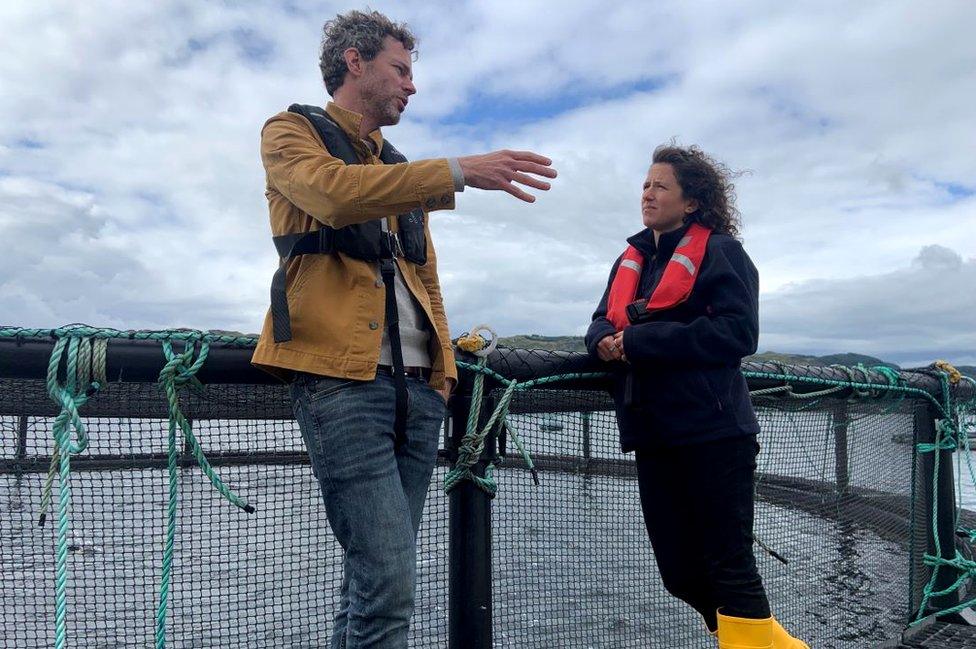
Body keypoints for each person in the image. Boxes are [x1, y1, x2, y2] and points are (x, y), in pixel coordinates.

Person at [250, 10, 556, 649]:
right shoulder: (288, 132)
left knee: (373, 587)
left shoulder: (400, 169)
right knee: (389, 586)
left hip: (419, 394)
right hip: (340, 385)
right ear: (355, 63)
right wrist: (459, 170)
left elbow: (428, 283)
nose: (411, 86)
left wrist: (443, 373)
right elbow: (332, 194)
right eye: (401, 69)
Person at [584, 145, 808, 649]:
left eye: (660, 185)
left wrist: (640, 341)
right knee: (680, 574)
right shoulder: (631, 259)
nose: (648, 193)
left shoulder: (723, 251)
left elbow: (738, 333)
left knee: (730, 567)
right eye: (645, 184)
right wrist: (600, 338)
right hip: (654, 434)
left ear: (691, 202)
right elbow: (601, 317)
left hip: (715, 432)